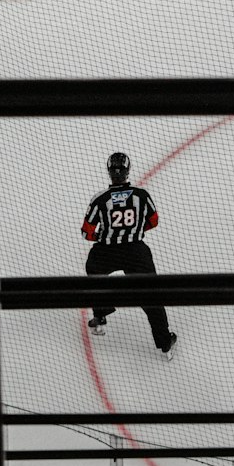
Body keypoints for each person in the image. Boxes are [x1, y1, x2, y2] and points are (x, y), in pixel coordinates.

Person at [81, 152, 177, 357]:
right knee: (151, 295)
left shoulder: (100, 199)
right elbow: (153, 221)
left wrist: (103, 236)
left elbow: (86, 232)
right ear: (128, 171)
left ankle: (101, 315)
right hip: (136, 252)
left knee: (93, 274)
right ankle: (164, 342)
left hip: (106, 252)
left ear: (109, 172)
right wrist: (134, 231)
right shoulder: (141, 195)